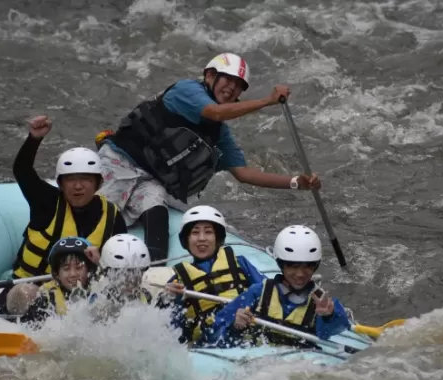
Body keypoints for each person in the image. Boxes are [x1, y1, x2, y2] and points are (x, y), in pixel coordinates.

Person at [94, 52, 321, 263]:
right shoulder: (186, 91)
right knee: (102, 216)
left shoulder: (219, 133)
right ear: (210, 76)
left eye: (238, 87)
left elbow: (244, 173)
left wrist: (295, 182)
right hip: (120, 160)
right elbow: (214, 111)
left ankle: (154, 273)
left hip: (151, 181)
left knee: (157, 214)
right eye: (228, 81)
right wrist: (267, 101)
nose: (232, 89)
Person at [0, 116, 126, 318]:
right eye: (71, 180)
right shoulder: (46, 203)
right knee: (27, 293)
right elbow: (22, 171)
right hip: (29, 288)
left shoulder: (111, 216)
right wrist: (34, 138)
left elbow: (120, 268)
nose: (78, 186)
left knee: (109, 305)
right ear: (60, 184)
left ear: (98, 184)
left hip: (79, 294)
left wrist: (102, 263)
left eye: (85, 179)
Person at [212, 225, 351, 347]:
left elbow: (333, 329)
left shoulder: (321, 302)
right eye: (293, 266)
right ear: (281, 264)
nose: (300, 274)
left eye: (308, 266)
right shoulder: (258, 292)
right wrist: (233, 324)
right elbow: (216, 328)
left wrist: (328, 316)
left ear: (316, 266)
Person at [158, 205, 265, 345]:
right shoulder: (179, 281)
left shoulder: (239, 263)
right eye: (195, 233)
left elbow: (269, 292)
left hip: (246, 328)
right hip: (210, 341)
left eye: (208, 232)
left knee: (256, 290)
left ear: (217, 237)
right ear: (187, 239)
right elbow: (170, 329)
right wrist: (168, 299)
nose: (202, 238)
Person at [20, 237, 97, 326]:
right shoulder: (47, 299)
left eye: (79, 267)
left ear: (89, 270)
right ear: (57, 274)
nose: (73, 274)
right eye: (66, 268)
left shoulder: (98, 289)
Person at [88, 234, 153, 321]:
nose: (131, 279)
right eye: (122, 273)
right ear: (108, 273)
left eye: (135, 272)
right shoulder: (98, 300)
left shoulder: (147, 296)